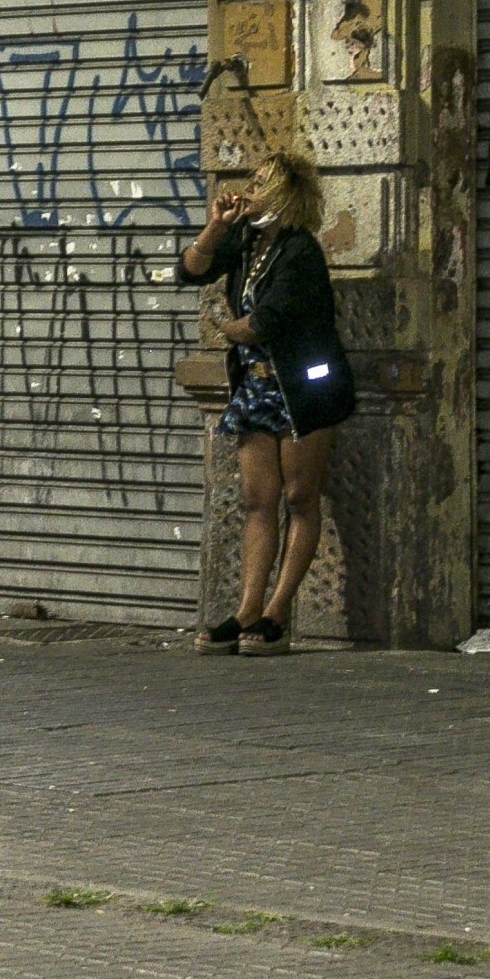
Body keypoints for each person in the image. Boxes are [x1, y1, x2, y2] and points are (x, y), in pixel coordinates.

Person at [178, 150, 355, 656]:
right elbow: (190, 271)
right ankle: (247, 609)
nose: (246, 191)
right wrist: (216, 227)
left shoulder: (300, 252)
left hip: (304, 391)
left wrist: (227, 330)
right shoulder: (247, 241)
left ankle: (278, 614)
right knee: (259, 500)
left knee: (300, 497)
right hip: (256, 387)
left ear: (280, 194)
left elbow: (266, 321)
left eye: (257, 184)